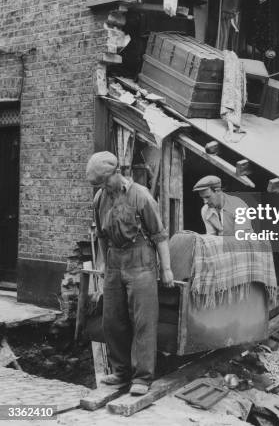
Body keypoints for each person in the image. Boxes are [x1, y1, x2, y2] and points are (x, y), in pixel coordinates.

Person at [85, 151, 174, 396]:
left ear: (115, 173)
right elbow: (102, 237)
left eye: (103, 182)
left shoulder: (140, 195)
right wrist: (103, 266)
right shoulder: (100, 199)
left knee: (143, 321)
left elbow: (160, 235)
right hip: (114, 262)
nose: (101, 188)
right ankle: (121, 372)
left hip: (141, 260)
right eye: (98, 185)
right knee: (112, 320)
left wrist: (166, 269)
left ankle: (142, 377)